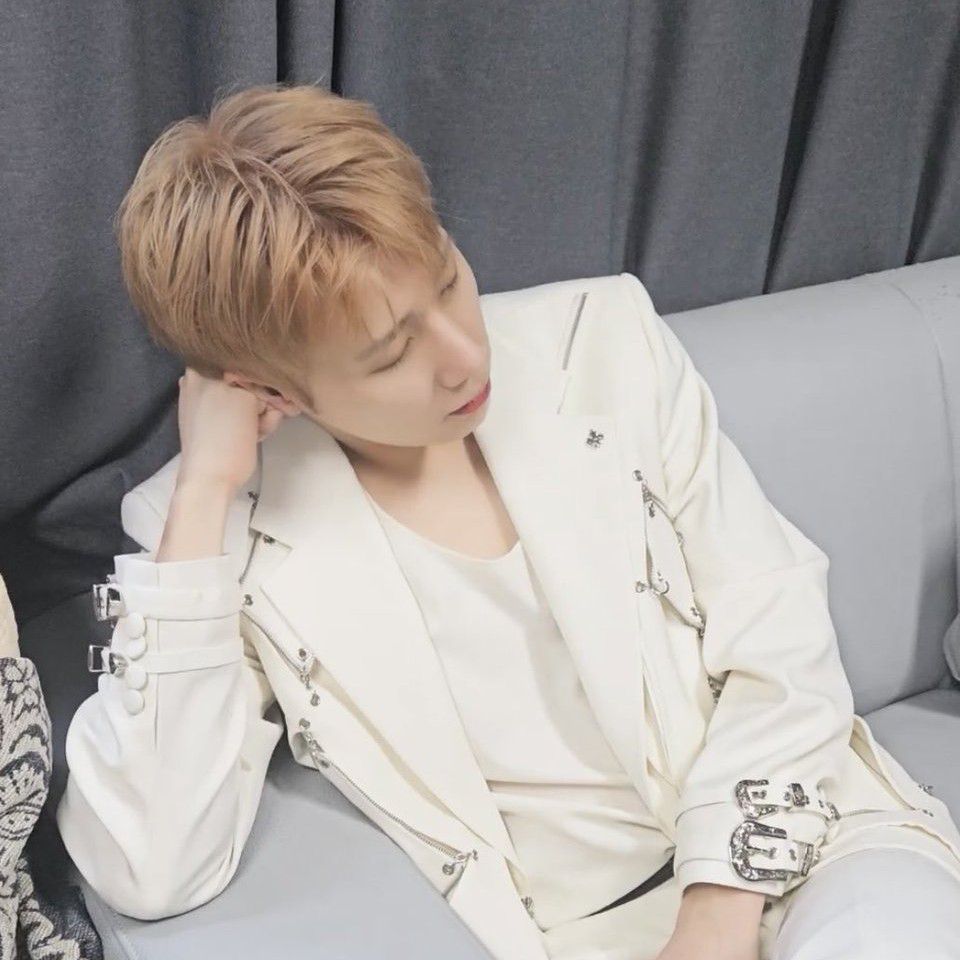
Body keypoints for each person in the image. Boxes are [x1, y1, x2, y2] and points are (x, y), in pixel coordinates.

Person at [55, 82, 960, 960]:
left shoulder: (601, 341)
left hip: (803, 842)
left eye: (449, 281)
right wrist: (205, 488)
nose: (463, 356)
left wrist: (718, 912)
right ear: (269, 389)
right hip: (575, 936)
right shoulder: (222, 531)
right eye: (391, 354)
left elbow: (779, 632)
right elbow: (150, 865)